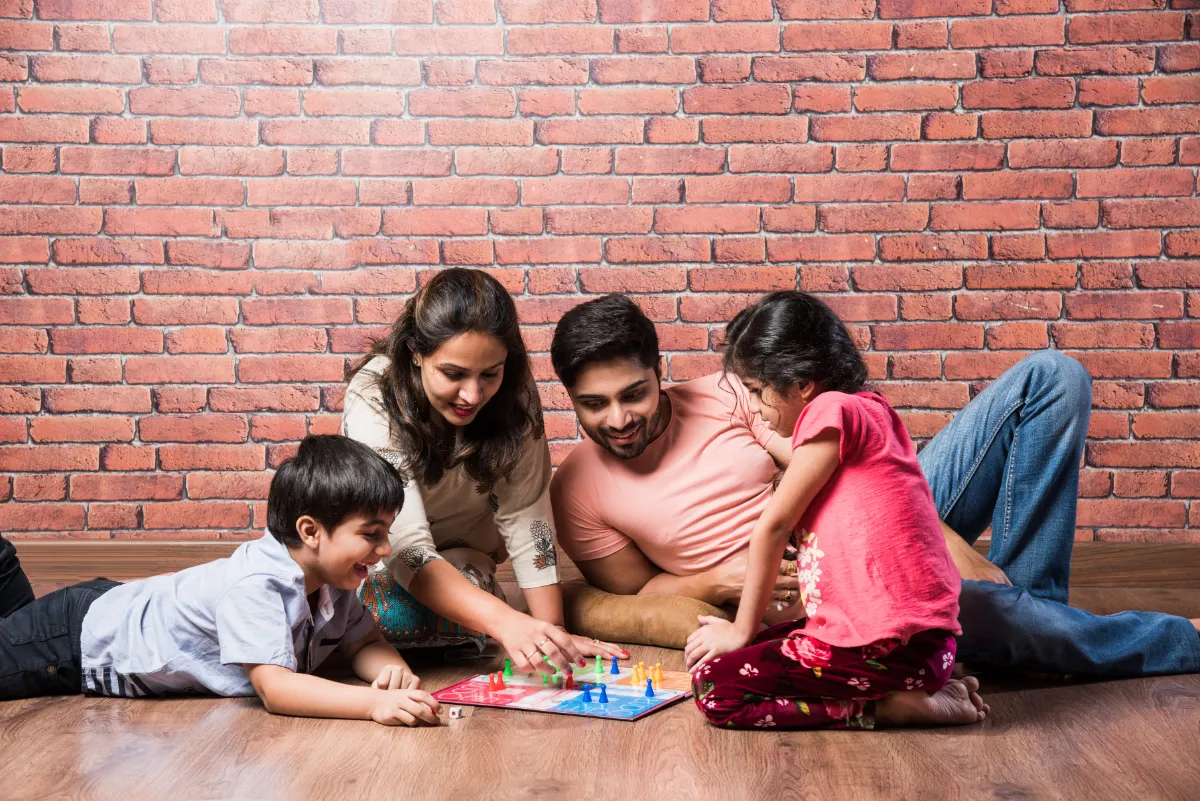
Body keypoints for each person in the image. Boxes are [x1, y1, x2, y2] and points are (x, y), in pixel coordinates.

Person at [550, 293, 1200, 678]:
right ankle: (1104, 635)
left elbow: (850, 462)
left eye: (632, 393)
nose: (619, 419)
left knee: (1052, 377)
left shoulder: (730, 391)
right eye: (594, 404)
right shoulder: (578, 486)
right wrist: (719, 580)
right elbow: (637, 592)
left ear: (657, 370)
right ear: (571, 400)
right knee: (995, 613)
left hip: (866, 508)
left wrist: (951, 542)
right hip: (827, 583)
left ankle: (1038, 622)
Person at [683, 291, 987, 729]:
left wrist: (737, 631)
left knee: (715, 687)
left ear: (801, 384)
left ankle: (887, 706)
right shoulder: (869, 412)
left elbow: (772, 528)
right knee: (759, 649)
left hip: (894, 650)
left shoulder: (831, 410)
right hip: (921, 649)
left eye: (755, 390)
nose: (751, 407)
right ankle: (916, 690)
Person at [1, 435, 443, 727]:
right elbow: (277, 689)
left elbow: (363, 642)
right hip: (72, 641)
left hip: (113, 604)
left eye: (387, 533)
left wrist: (393, 677)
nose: (385, 549)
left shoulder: (337, 580)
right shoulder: (258, 584)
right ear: (310, 532)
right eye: (371, 534)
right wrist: (373, 704)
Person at [342, 268, 625, 676]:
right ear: (414, 353)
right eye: (453, 374)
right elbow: (405, 543)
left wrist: (550, 631)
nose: (473, 395)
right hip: (384, 556)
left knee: (464, 593)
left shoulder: (514, 389)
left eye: (490, 373)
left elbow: (527, 512)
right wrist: (509, 623)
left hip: (466, 557)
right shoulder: (373, 393)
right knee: (392, 613)